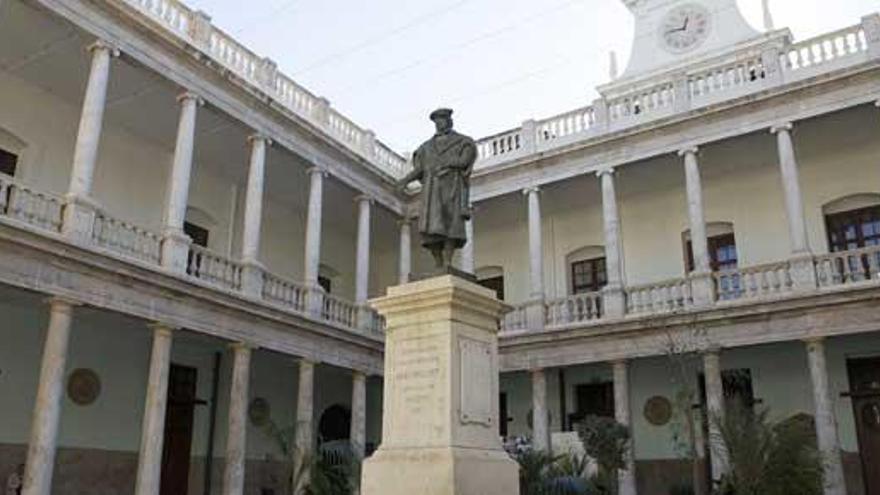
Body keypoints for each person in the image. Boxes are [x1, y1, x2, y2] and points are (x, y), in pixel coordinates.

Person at [398, 108, 477, 270]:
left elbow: (464, 161)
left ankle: (448, 261)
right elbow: (419, 169)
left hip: (452, 188)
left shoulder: (463, 142)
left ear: (450, 121)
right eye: (437, 120)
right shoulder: (425, 148)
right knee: (430, 230)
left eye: (443, 119)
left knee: (450, 226)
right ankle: (438, 263)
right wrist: (405, 180)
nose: (440, 123)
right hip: (432, 191)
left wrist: (447, 163)